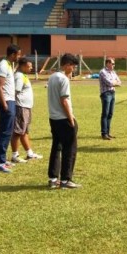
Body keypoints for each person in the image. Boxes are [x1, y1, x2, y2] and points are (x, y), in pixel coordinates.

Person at [47, 53, 81, 189]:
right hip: (63, 118)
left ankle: (53, 178)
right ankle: (66, 180)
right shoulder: (63, 79)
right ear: (67, 65)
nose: (73, 69)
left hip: (53, 118)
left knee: (56, 147)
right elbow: (64, 100)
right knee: (70, 149)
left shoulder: (52, 77)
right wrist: (71, 118)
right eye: (73, 66)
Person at [0, 44, 21, 173]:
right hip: (6, 101)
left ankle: (3, 160)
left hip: (10, 100)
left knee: (8, 131)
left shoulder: (9, 65)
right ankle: (0, 162)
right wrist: (4, 104)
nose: (19, 57)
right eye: (18, 54)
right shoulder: (3, 65)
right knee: (5, 132)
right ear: (13, 54)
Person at [10, 57, 42, 164]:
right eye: (29, 66)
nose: (31, 68)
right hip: (21, 107)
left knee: (24, 131)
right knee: (18, 132)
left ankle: (30, 154)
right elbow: (15, 92)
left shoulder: (23, 75)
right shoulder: (19, 76)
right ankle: (15, 155)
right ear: (22, 66)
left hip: (25, 107)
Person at [99, 57, 122, 140]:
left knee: (110, 113)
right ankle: (104, 133)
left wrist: (115, 83)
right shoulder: (102, 72)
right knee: (105, 113)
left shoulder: (113, 72)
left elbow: (119, 81)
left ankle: (108, 133)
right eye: (112, 64)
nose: (113, 65)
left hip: (112, 93)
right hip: (106, 94)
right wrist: (115, 83)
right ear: (107, 63)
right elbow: (109, 83)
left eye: (114, 64)